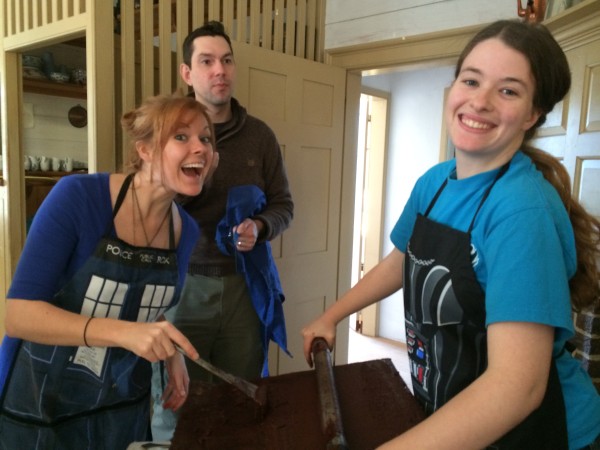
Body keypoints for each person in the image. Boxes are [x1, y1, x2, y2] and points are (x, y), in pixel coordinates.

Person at [302, 19, 600, 450]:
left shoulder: (521, 212)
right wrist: (333, 315)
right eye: (471, 80)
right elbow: (403, 260)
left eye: (508, 90)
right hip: (452, 404)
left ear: (534, 113)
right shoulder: (436, 182)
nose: (479, 101)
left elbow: (516, 389)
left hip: (535, 433)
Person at [0, 93, 217, 449]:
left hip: (120, 403)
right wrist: (124, 333)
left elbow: (143, 297)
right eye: (181, 136)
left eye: (205, 138)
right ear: (144, 150)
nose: (200, 148)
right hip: (42, 398)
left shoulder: (185, 230)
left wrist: (172, 352)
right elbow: (19, 315)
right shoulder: (78, 197)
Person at [150, 21, 294, 441]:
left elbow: (284, 204)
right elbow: (151, 211)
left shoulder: (260, 137)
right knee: (177, 403)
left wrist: (262, 226)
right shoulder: (167, 136)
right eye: (207, 61)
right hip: (181, 289)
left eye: (227, 60)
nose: (220, 70)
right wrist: (201, 177)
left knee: (239, 398)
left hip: (244, 290)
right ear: (187, 74)